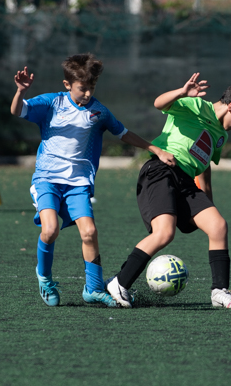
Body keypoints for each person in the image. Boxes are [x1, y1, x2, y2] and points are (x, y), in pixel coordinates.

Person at [11, 55, 176, 308]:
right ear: (67, 84)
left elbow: (123, 133)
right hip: (47, 179)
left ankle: (94, 289)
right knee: (50, 230)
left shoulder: (99, 112)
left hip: (78, 184)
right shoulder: (52, 102)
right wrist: (21, 91)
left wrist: (155, 149)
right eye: (82, 88)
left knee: (89, 232)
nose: (87, 93)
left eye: (92, 87)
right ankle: (45, 278)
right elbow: (18, 110)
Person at [106, 74, 231, 309]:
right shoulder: (196, 105)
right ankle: (119, 283)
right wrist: (181, 92)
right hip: (161, 171)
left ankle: (219, 291)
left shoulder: (221, 135)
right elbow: (158, 103)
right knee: (164, 233)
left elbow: (204, 167)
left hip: (186, 182)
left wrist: (208, 204)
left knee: (218, 226)